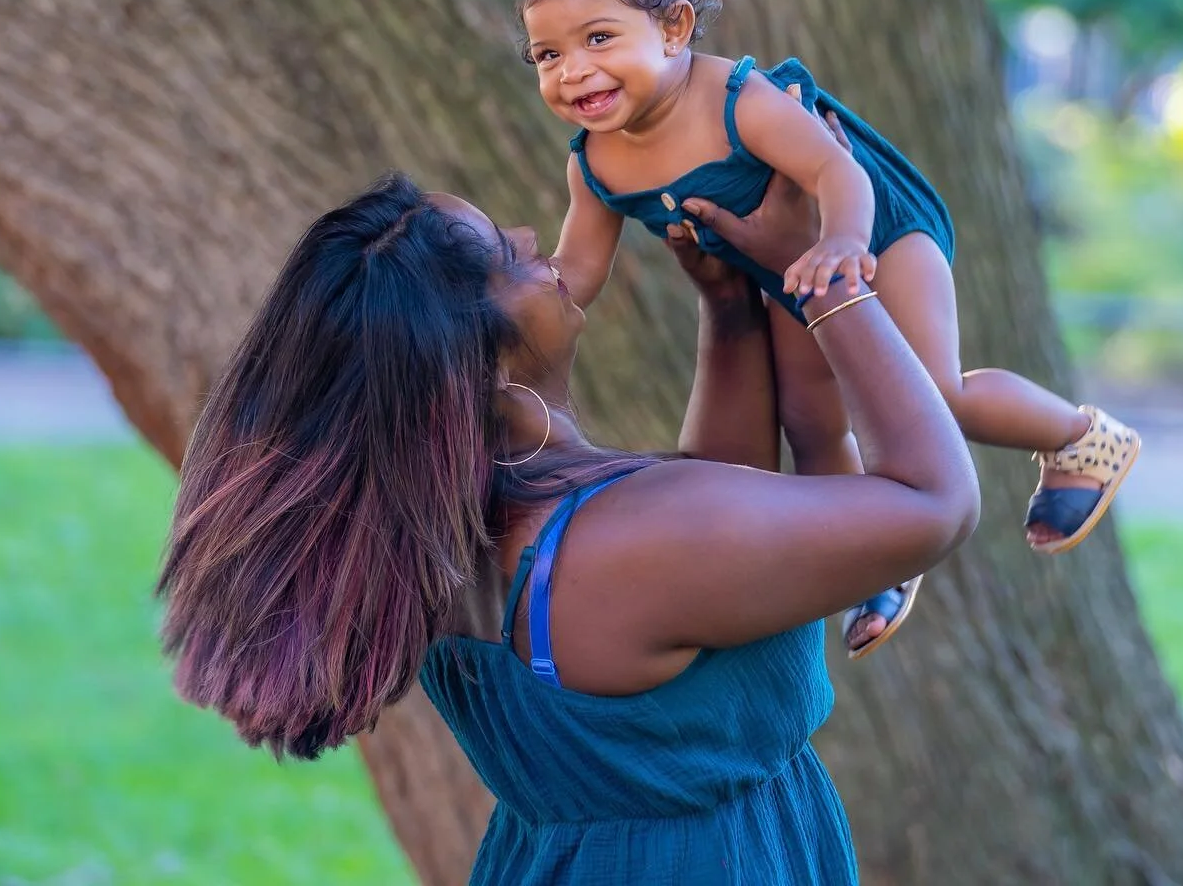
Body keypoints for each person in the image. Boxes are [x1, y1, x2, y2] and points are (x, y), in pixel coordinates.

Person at [156, 147, 979, 884]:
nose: (530, 237)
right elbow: (933, 502)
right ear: (478, 365)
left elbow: (715, 544)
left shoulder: (449, 534)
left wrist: (731, 312)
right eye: (508, 257)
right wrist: (832, 279)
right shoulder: (625, 541)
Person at [522, 0, 1141, 658]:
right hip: (789, 272)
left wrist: (845, 242)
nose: (574, 71)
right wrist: (510, 315)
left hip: (875, 232)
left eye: (598, 39)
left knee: (931, 393)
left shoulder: (736, 100)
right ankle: (874, 555)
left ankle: (1083, 437)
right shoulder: (595, 163)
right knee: (814, 425)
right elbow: (577, 271)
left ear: (674, 28)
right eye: (549, 55)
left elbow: (835, 170)